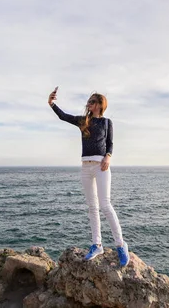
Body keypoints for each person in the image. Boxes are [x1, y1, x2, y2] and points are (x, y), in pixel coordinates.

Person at [48, 87, 130, 267]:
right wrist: (52, 104)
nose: (89, 104)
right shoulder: (83, 121)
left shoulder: (107, 123)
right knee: (92, 207)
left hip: (101, 166)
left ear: (100, 105)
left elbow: (110, 144)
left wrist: (108, 156)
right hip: (85, 166)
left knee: (105, 205)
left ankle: (120, 245)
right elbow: (64, 116)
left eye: (92, 101)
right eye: (89, 101)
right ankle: (97, 244)